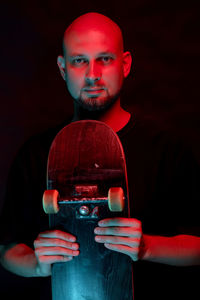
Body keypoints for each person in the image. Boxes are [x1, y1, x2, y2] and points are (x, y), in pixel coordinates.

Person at [0, 12, 199, 299]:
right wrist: (36, 264)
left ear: (125, 64)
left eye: (104, 58)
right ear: (62, 67)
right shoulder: (35, 153)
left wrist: (148, 247)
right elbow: (7, 248)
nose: (93, 74)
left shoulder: (169, 151)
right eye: (79, 60)